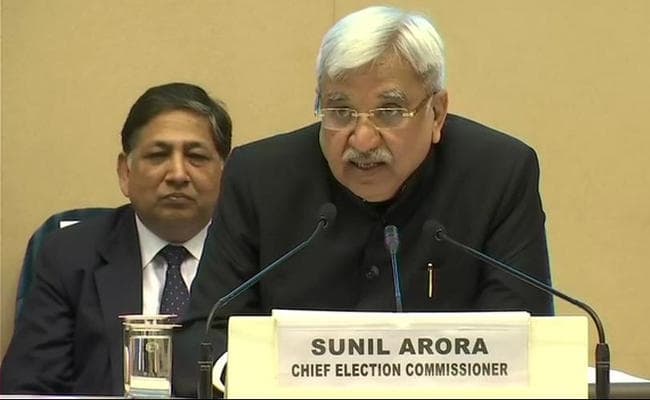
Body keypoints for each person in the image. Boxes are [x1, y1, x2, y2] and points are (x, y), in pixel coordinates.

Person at [173, 5, 553, 396]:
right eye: (341, 111)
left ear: (437, 113)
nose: (363, 139)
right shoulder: (260, 178)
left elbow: (525, 340)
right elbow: (204, 337)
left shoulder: (497, 174)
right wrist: (262, 378)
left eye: (389, 111)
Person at [0, 82, 232, 395]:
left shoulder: (261, 258)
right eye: (158, 155)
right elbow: (29, 388)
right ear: (125, 172)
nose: (178, 174)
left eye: (196, 156)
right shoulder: (69, 255)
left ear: (225, 172)